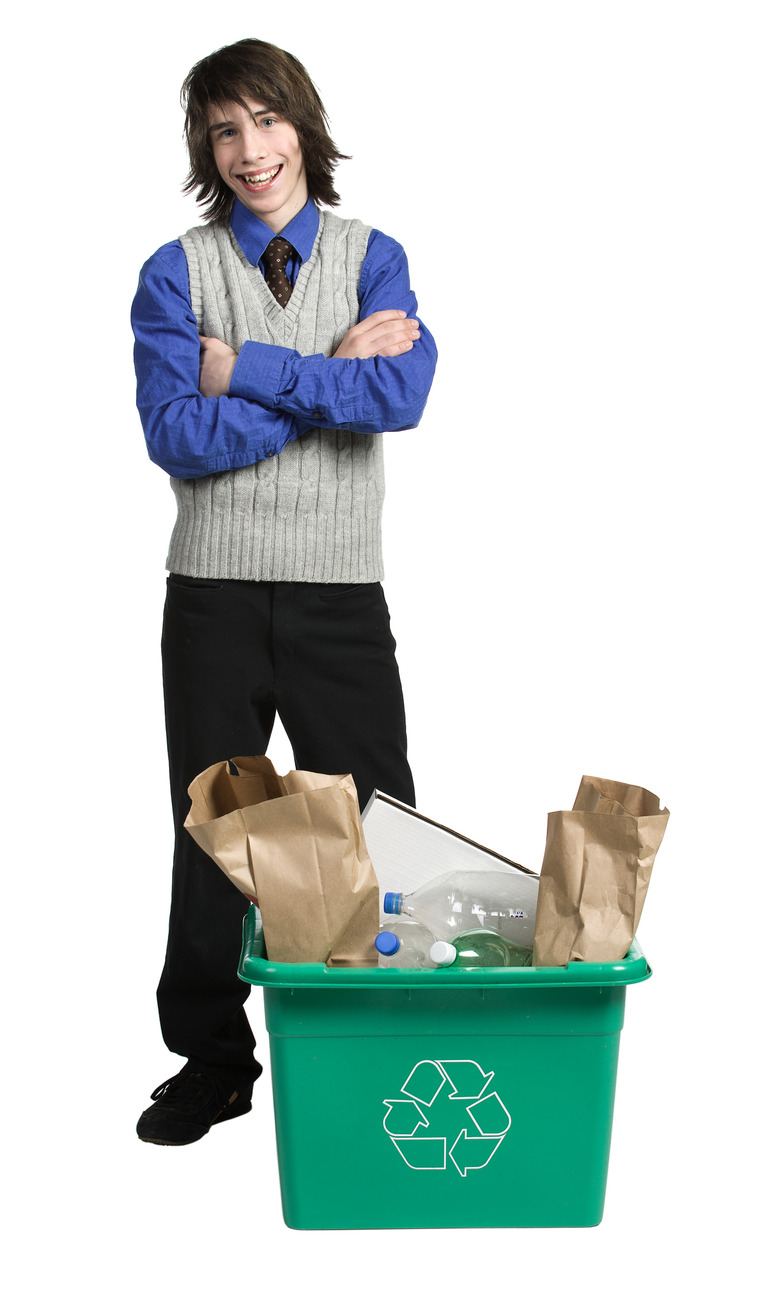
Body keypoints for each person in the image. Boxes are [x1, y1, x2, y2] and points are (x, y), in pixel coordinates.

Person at [131, 38, 437, 1146]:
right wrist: (324, 379)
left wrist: (244, 368)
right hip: (212, 590)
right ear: (206, 150)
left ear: (303, 126)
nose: (251, 150)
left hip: (339, 592)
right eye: (225, 130)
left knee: (378, 818)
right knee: (218, 829)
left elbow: (397, 393)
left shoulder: (374, 255)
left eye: (267, 121)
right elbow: (177, 432)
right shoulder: (177, 270)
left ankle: (391, 1031)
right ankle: (213, 1061)